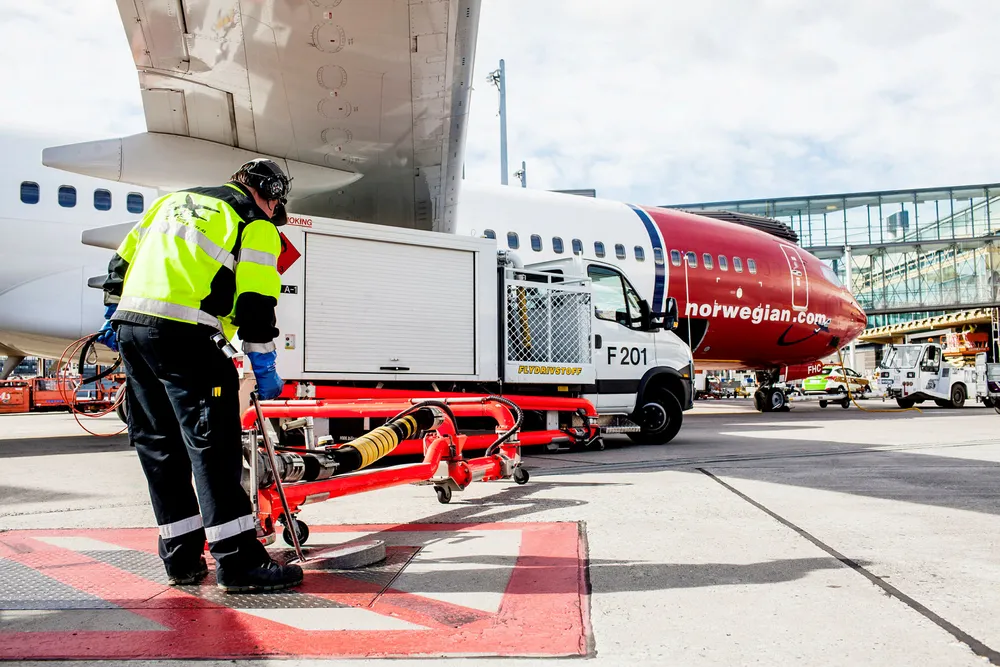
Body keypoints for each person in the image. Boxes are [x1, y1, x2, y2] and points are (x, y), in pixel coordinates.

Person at [96, 158, 303, 593]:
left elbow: (120, 265)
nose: (274, 213)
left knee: (160, 447)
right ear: (269, 194)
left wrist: (113, 314)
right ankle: (240, 564)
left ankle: (181, 560)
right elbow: (255, 303)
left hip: (133, 331)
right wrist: (263, 362)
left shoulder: (170, 203)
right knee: (213, 450)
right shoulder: (254, 221)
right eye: (276, 205)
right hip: (188, 337)